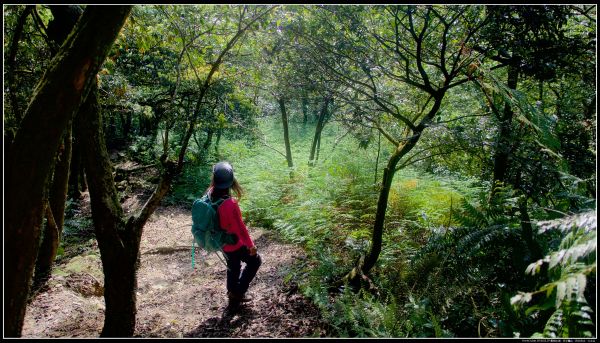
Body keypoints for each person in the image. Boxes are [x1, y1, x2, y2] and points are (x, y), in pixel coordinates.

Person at [206, 161, 261, 308]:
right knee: (255, 261)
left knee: (233, 267)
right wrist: (251, 246)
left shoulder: (209, 195)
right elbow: (241, 229)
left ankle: (232, 300)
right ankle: (238, 292)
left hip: (221, 243)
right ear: (231, 181)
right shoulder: (230, 203)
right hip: (235, 243)